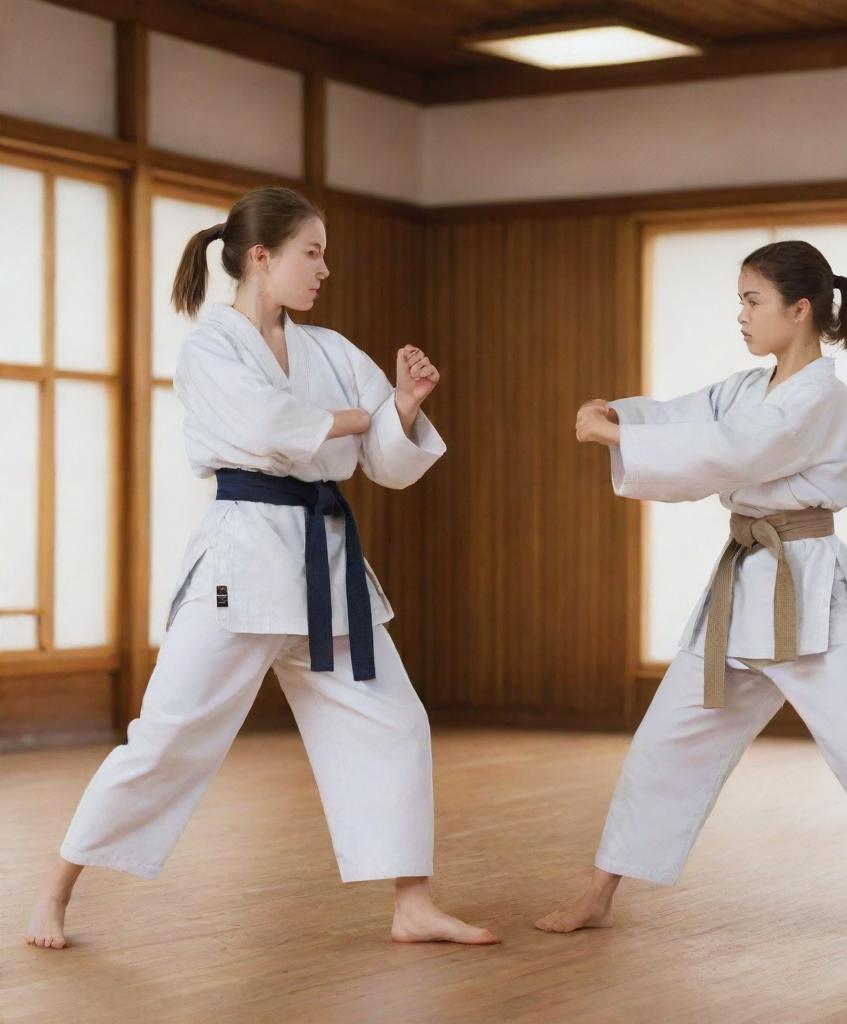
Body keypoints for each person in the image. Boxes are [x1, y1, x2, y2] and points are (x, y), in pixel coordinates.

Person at [26, 186, 498, 950]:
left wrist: (403, 407)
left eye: (323, 253)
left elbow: (384, 461)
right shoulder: (209, 346)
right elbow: (268, 426)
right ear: (260, 257)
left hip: (327, 562)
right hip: (241, 564)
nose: (324, 269)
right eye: (311, 253)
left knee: (395, 721)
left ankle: (412, 903)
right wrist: (359, 417)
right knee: (168, 737)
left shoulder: (332, 349)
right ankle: (55, 891)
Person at [536, 240, 847, 936]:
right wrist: (621, 415)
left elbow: (734, 450)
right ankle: (598, 893)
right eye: (740, 299)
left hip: (810, 595)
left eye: (752, 300)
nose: (741, 314)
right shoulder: (747, 387)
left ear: (799, 311)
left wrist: (615, 442)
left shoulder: (819, 397)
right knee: (666, 739)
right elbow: (692, 416)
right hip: (742, 593)